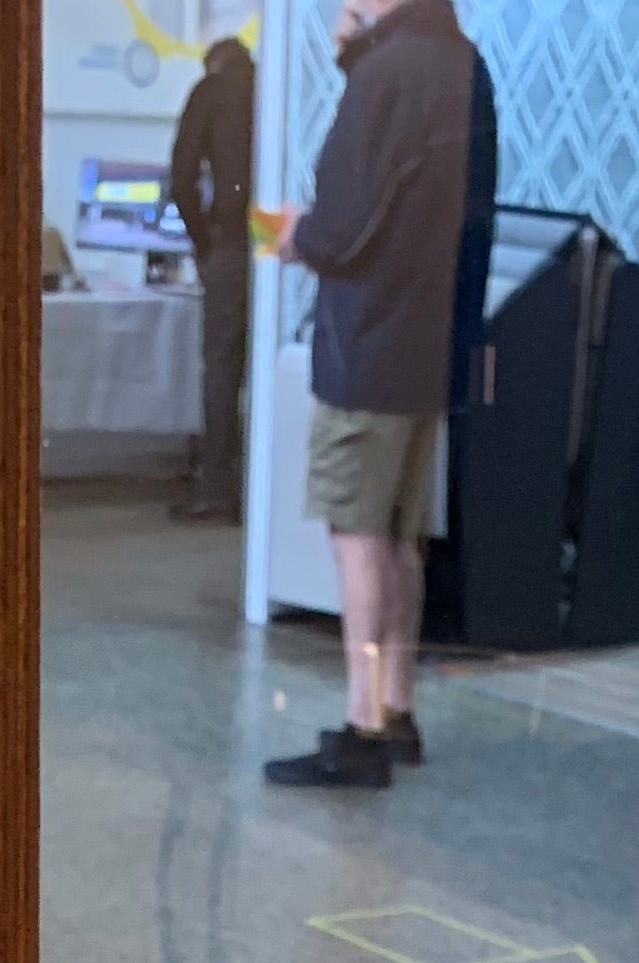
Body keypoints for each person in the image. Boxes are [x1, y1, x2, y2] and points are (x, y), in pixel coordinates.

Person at [255, 0, 484, 790]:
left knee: (357, 536)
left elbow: (346, 221)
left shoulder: (387, 72)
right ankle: (398, 705)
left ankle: (363, 728)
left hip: (367, 343)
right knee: (402, 536)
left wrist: (291, 237)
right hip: (427, 343)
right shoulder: (461, 61)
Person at [167, 32, 255, 522]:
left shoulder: (211, 92)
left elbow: (182, 178)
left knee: (221, 368)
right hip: (271, 243)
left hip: (228, 244)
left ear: (213, 63)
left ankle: (217, 488)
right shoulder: (271, 93)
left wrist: (203, 243)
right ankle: (260, 489)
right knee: (262, 368)